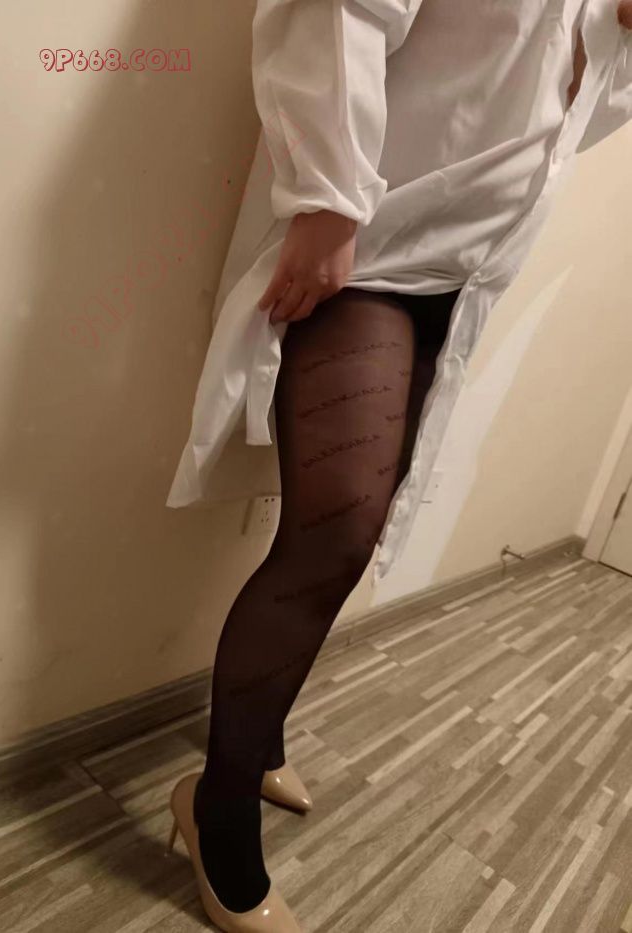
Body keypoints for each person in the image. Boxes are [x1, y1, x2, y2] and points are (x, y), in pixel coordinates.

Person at [167, 2, 632, 930]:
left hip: (465, 272)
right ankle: (215, 803)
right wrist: (328, 199)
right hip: (370, 241)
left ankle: (257, 737)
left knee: (352, 526)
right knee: (337, 528)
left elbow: (560, 120)